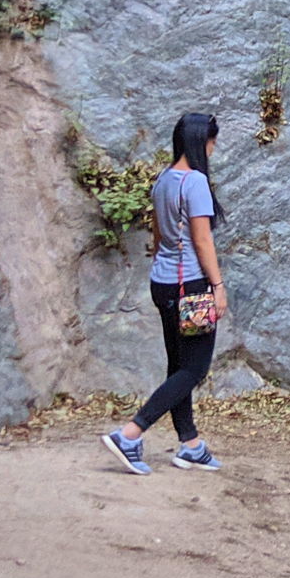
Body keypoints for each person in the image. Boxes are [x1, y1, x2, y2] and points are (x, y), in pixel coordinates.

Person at [103, 112, 229, 474]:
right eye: (212, 142)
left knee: (178, 365)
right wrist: (217, 286)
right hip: (189, 286)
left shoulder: (163, 181)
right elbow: (202, 240)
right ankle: (130, 434)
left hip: (163, 283)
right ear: (200, 142)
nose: (213, 149)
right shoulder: (195, 183)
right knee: (195, 369)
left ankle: (190, 444)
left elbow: (158, 237)